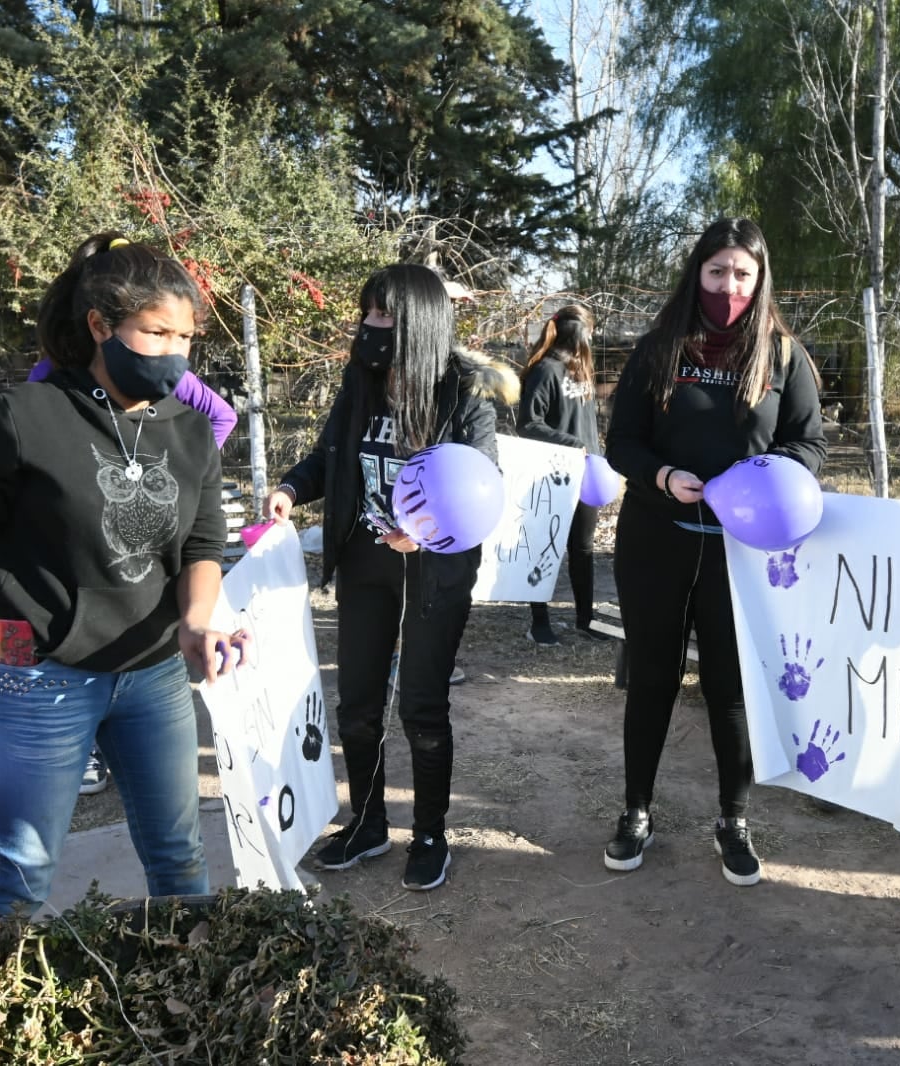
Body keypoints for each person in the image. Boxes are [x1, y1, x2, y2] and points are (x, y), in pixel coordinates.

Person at [0, 233, 240, 953]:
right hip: (39, 678)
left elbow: (204, 545)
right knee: (22, 870)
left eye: (185, 337)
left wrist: (196, 622)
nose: (174, 353)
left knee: (181, 862)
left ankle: (189, 1013)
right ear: (99, 325)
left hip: (152, 677)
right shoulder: (24, 417)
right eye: (155, 333)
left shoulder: (189, 433)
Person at [263, 264, 516, 892]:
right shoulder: (362, 380)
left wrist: (427, 530)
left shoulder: (466, 390)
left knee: (422, 708)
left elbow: (481, 485)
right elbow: (329, 455)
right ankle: (368, 820)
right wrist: (291, 489)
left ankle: (430, 833)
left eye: (382, 316)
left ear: (417, 324)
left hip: (437, 570)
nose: (369, 327)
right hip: (367, 564)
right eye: (367, 314)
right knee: (357, 707)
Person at [601, 218, 827, 888]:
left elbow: (808, 446)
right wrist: (663, 478)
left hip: (743, 554)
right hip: (654, 542)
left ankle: (733, 818)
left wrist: (756, 482)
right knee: (651, 680)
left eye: (742, 274)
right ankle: (635, 810)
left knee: (730, 691)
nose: (729, 286)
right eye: (717, 272)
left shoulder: (783, 356)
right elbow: (622, 444)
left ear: (760, 281)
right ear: (695, 273)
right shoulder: (658, 349)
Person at [28, 358, 239, 795]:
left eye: (180, 336)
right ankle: (86, 747)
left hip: (148, 585)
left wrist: (186, 478)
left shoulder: (161, 369)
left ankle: (116, 747)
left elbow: (222, 416)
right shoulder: (44, 380)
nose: (173, 345)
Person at [517, 303, 608, 645]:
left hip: (586, 474)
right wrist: (571, 443)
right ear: (580, 332)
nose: (594, 336)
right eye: (591, 329)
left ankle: (586, 620)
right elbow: (528, 423)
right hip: (551, 475)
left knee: (582, 549)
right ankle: (539, 623)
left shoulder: (581, 370)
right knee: (544, 547)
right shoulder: (545, 370)